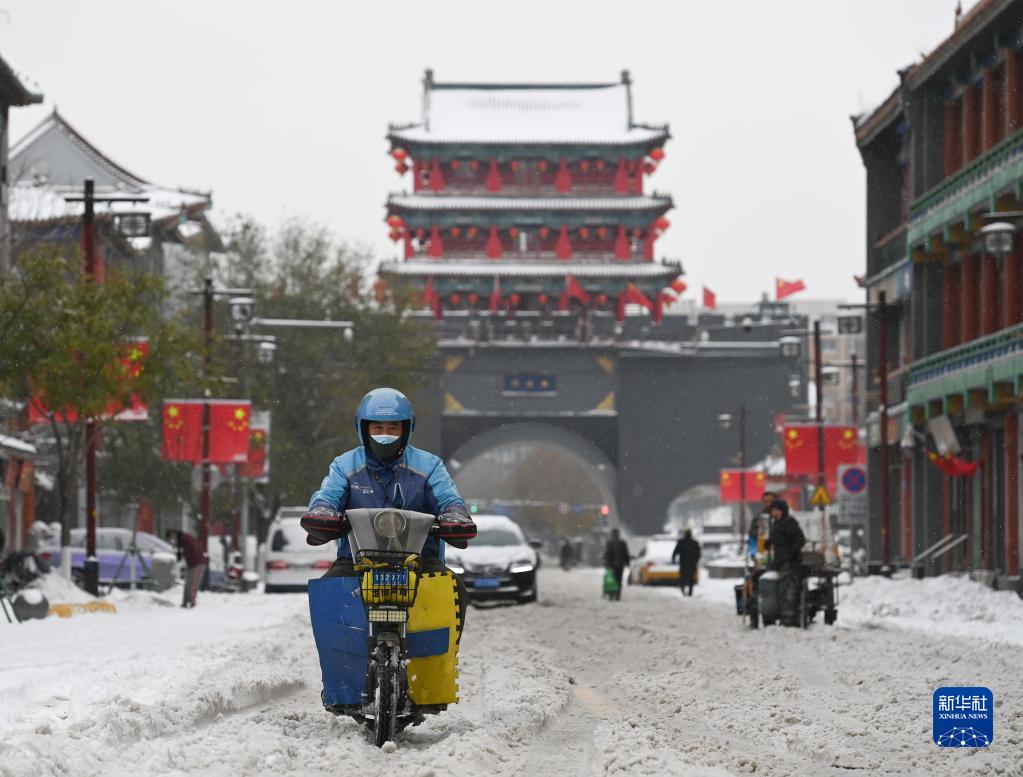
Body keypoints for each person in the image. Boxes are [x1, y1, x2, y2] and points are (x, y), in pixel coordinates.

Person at [301, 387, 476, 714]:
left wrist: (454, 513)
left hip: (419, 561)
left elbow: (448, 497)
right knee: (329, 592)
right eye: (377, 427)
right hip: (356, 561)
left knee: (453, 588)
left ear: (406, 429)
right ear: (363, 428)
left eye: (393, 427)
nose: (385, 434)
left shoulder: (429, 466)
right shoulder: (344, 465)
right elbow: (327, 496)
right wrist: (323, 510)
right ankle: (342, 688)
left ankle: (431, 684)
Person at [765, 499, 806, 626]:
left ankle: (788, 618)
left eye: (775, 510)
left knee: (788, 589)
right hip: (780, 561)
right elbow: (779, 538)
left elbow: (800, 540)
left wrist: (790, 554)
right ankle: (784, 615)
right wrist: (769, 542)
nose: (773, 513)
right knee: (780, 589)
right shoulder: (777, 523)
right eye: (772, 510)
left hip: (790, 562)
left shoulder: (789, 522)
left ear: (782, 510)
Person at [166, 528, 204, 608]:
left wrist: (189, 558)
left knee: (192, 584)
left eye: (171, 537)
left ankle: (192, 603)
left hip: (196, 563)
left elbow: (193, 549)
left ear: (173, 534)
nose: (172, 540)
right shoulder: (181, 539)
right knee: (188, 584)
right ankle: (185, 603)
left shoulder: (185, 538)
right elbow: (183, 551)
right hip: (191, 564)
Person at [671, 528, 701, 596]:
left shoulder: (681, 542)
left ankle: (683, 589)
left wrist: (673, 559)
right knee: (691, 578)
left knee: (682, 577)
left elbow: (675, 552)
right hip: (692, 564)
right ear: (691, 534)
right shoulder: (694, 543)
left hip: (683, 563)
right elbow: (698, 554)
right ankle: (690, 592)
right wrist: (695, 561)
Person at [602, 528, 630, 601]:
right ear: (618, 534)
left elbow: (607, 554)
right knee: (619, 580)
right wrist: (627, 563)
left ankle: (611, 594)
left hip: (611, 565)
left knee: (611, 580)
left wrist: (605, 561)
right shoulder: (622, 542)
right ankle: (618, 594)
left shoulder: (610, 542)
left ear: (612, 534)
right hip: (620, 565)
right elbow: (626, 554)